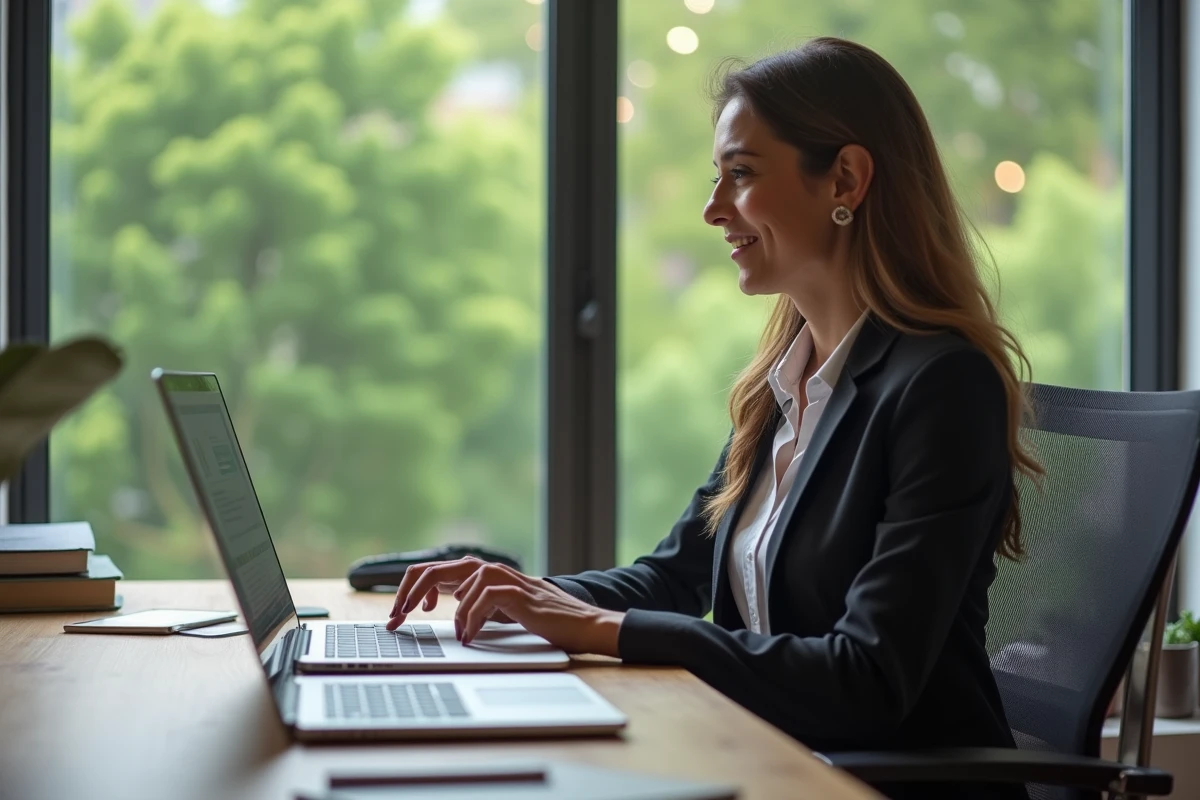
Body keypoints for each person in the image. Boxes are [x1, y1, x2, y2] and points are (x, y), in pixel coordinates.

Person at [386, 36, 1039, 799]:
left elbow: (866, 679)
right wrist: (519, 596)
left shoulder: (942, 386)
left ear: (846, 179)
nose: (712, 209)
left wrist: (598, 630)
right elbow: (673, 577)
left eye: (742, 174)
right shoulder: (783, 382)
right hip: (770, 763)